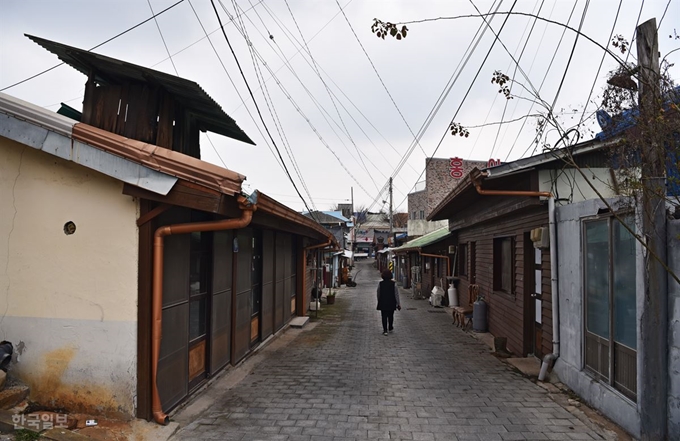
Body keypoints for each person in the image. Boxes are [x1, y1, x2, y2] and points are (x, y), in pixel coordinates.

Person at [376, 269, 401, 336]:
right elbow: (396, 294)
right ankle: (390, 326)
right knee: (391, 315)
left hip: (383, 302)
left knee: (383, 316)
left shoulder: (380, 284)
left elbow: (378, 293)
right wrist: (398, 303)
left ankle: (385, 330)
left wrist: (379, 300)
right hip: (391, 302)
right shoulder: (394, 284)